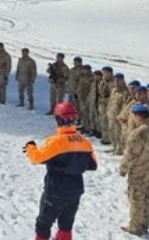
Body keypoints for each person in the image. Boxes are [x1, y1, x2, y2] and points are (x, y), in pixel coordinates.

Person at [24, 102, 97, 240]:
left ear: (58, 119)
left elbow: (36, 158)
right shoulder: (84, 142)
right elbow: (93, 165)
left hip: (55, 190)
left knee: (43, 224)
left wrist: (30, 147)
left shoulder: (56, 141)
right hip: (75, 191)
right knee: (66, 225)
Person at [119, 104, 149, 236]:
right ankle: (145, 224)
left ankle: (135, 226)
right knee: (147, 197)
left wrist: (123, 169)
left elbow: (131, 154)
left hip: (139, 171)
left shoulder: (139, 132)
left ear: (136, 116)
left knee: (136, 198)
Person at [107, 73, 131, 156]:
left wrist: (120, 116)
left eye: (118, 80)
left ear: (123, 80)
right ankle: (114, 147)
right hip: (111, 115)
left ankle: (120, 149)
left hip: (118, 117)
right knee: (111, 132)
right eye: (115, 80)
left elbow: (125, 106)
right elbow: (110, 102)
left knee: (118, 134)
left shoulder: (125, 92)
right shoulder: (114, 90)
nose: (116, 81)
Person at [97, 67, 114, 145]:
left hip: (109, 105)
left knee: (107, 122)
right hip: (102, 104)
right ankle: (104, 136)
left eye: (105, 73)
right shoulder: (103, 82)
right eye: (103, 73)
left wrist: (105, 100)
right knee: (102, 120)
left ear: (110, 73)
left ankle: (108, 138)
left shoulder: (113, 83)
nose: (103, 75)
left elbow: (113, 96)